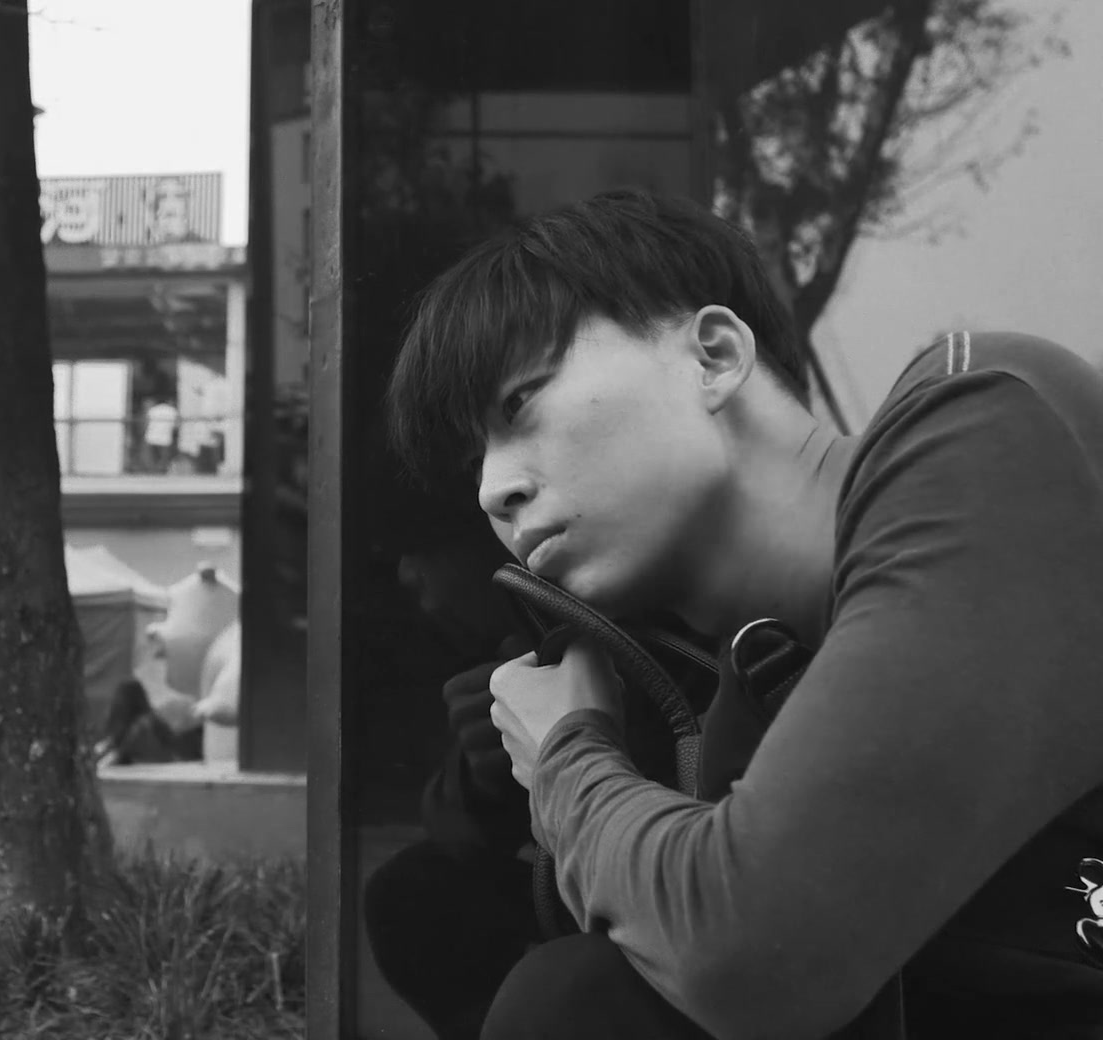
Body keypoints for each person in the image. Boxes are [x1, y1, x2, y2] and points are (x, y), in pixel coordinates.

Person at [373, 188, 1103, 1038]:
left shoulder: (992, 423)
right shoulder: (734, 702)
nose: (493, 489)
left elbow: (748, 954)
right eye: (477, 458)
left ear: (714, 356)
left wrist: (568, 757)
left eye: (520, 405)